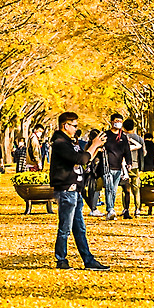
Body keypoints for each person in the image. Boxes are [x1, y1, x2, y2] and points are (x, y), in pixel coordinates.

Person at [49, 111, 109, 270]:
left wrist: (96, 148)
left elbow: (84, 160)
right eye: (74, 126)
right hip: (66, 189)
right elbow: (80, 159)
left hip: (75, 190)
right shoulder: (60, 143)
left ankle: (88, 260)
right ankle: (61, 259)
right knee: (65, 227)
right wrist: (94, 145)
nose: (76, 128)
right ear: (65, 126)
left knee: (79, 228)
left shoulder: (69, 142)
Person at [101, 114, 132, 220]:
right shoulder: (106, 135)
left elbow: (127, 151)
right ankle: (110, 209)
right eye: (116, 120)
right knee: (108, 188)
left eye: (120, 121)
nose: (118, 122)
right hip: (107, 167)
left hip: (118, 168)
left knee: (114, 190)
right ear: (111, 122)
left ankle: (111, 208)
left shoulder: (122, 136)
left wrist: (129, 163)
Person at [121, 118, 144, 219]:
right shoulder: (139, 138)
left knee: (125, 189)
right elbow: (144, 152)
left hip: (123, 165)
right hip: (135, 165)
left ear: (123, 127)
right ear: (134, 127)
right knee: (136, 189)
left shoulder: (121, 138)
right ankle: (137, 209)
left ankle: (126, 208)